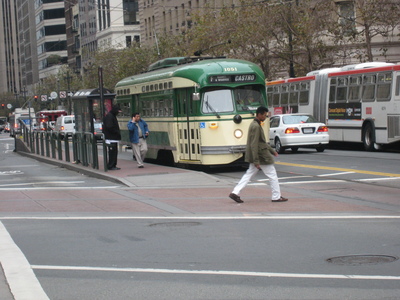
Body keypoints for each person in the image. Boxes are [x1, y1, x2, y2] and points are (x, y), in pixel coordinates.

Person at [229, 106, 288, 203]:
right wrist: (256, 160)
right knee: (272, 175)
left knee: (249, 174)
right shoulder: (256, 126)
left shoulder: (254, 124)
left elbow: (261, 142)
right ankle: (276, 196)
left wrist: (272, 151)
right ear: (259, 114)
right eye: (264, 115)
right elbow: (255, 144)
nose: (265, 117)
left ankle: (235, 192)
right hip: (261, 156)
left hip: (258, 155)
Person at [103, 104, 122, 170]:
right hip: (111, 138)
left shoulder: (111, 116)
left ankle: (113, 164)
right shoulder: (110, 116)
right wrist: (116, 131)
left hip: (112, 138)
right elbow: (109, 126)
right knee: (112, 153)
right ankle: (111, 165)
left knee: (113, 152)